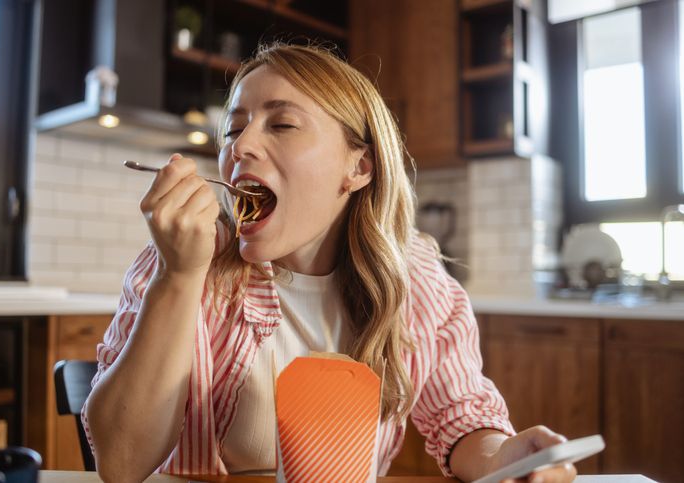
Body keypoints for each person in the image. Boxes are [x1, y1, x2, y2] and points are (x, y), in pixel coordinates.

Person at [83, 42, 577, 483]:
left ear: (358, 166)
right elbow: (121, 464)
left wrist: (504, 457)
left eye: (282, 124)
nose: (240, 146)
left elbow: (463, 421)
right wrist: (178, 276)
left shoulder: (417, 279)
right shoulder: (181, 259)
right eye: (234, 128)